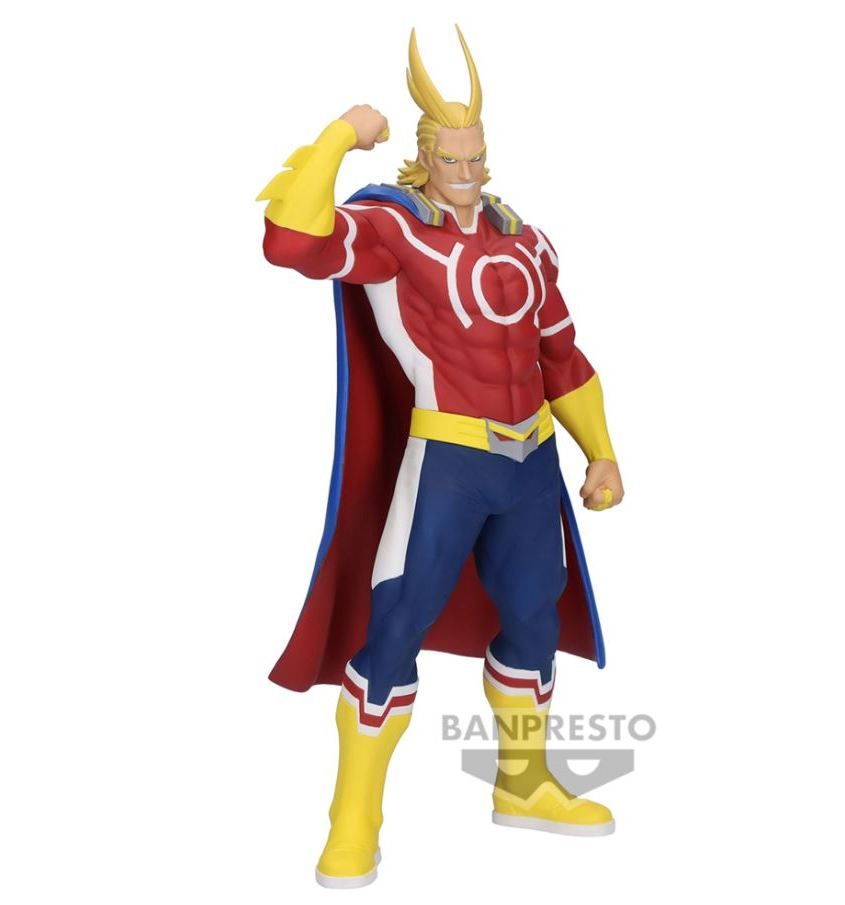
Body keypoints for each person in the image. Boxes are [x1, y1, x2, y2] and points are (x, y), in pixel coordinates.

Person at [258, 25, 625, 889]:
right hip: (448, 461)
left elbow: (561, 355)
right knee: (394, 626)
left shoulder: (524, 241)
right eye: (452, 157)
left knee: (533, 618)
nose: (468, 170)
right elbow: (291, 243)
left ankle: (524, 783)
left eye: (477, 155)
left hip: (529, 464)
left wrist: (602, 453)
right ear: (424, 156)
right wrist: (340, 135)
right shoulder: (395, 230)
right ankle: (353, 819)